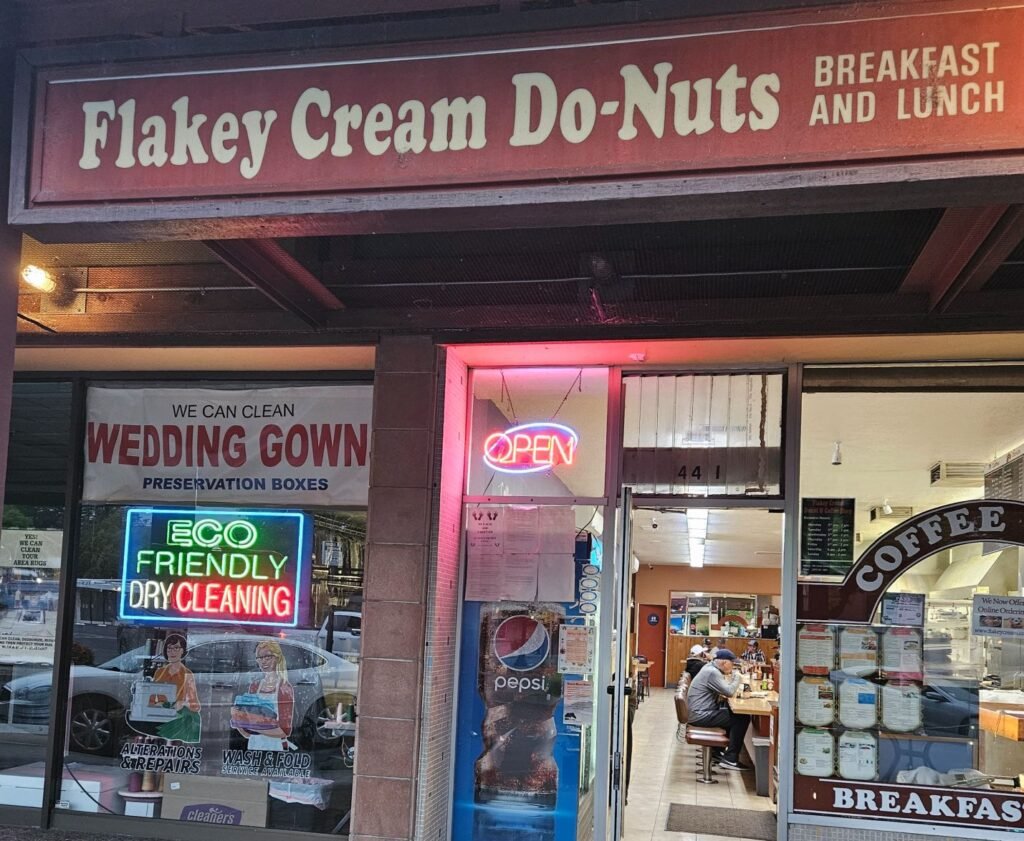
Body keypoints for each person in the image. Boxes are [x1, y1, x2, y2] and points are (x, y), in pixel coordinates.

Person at [687, 649, 750, 771]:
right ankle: (730, 759)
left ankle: (717, 751)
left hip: (699, 712)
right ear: (724, 663)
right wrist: (737, 676)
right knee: (741, 717)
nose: (733, 667)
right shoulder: (712, 672)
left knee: (729, 712)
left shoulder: (709, 668)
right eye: (733, 664)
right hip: (701, 714)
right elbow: (729, 691)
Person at [235, 640, 296, 751]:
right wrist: (239, 722)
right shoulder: (254, 686)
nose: (263, 661)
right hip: (254, 744)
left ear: (277, 658)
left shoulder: (284, 688)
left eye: (267, 657)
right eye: (260, 658)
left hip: (275, 746)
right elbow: (248, 729)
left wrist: (256, 728)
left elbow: (285, 730)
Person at [153, 633, 202, 742]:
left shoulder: (187, 675)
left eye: (176, 648)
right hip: (160, 714)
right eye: (169, 648)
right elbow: (152, 698)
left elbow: (196, 705)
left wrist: (183, 704)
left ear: (182, 651)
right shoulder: (159, 672)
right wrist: (157, 704)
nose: (172, 652)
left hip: (177, 716)